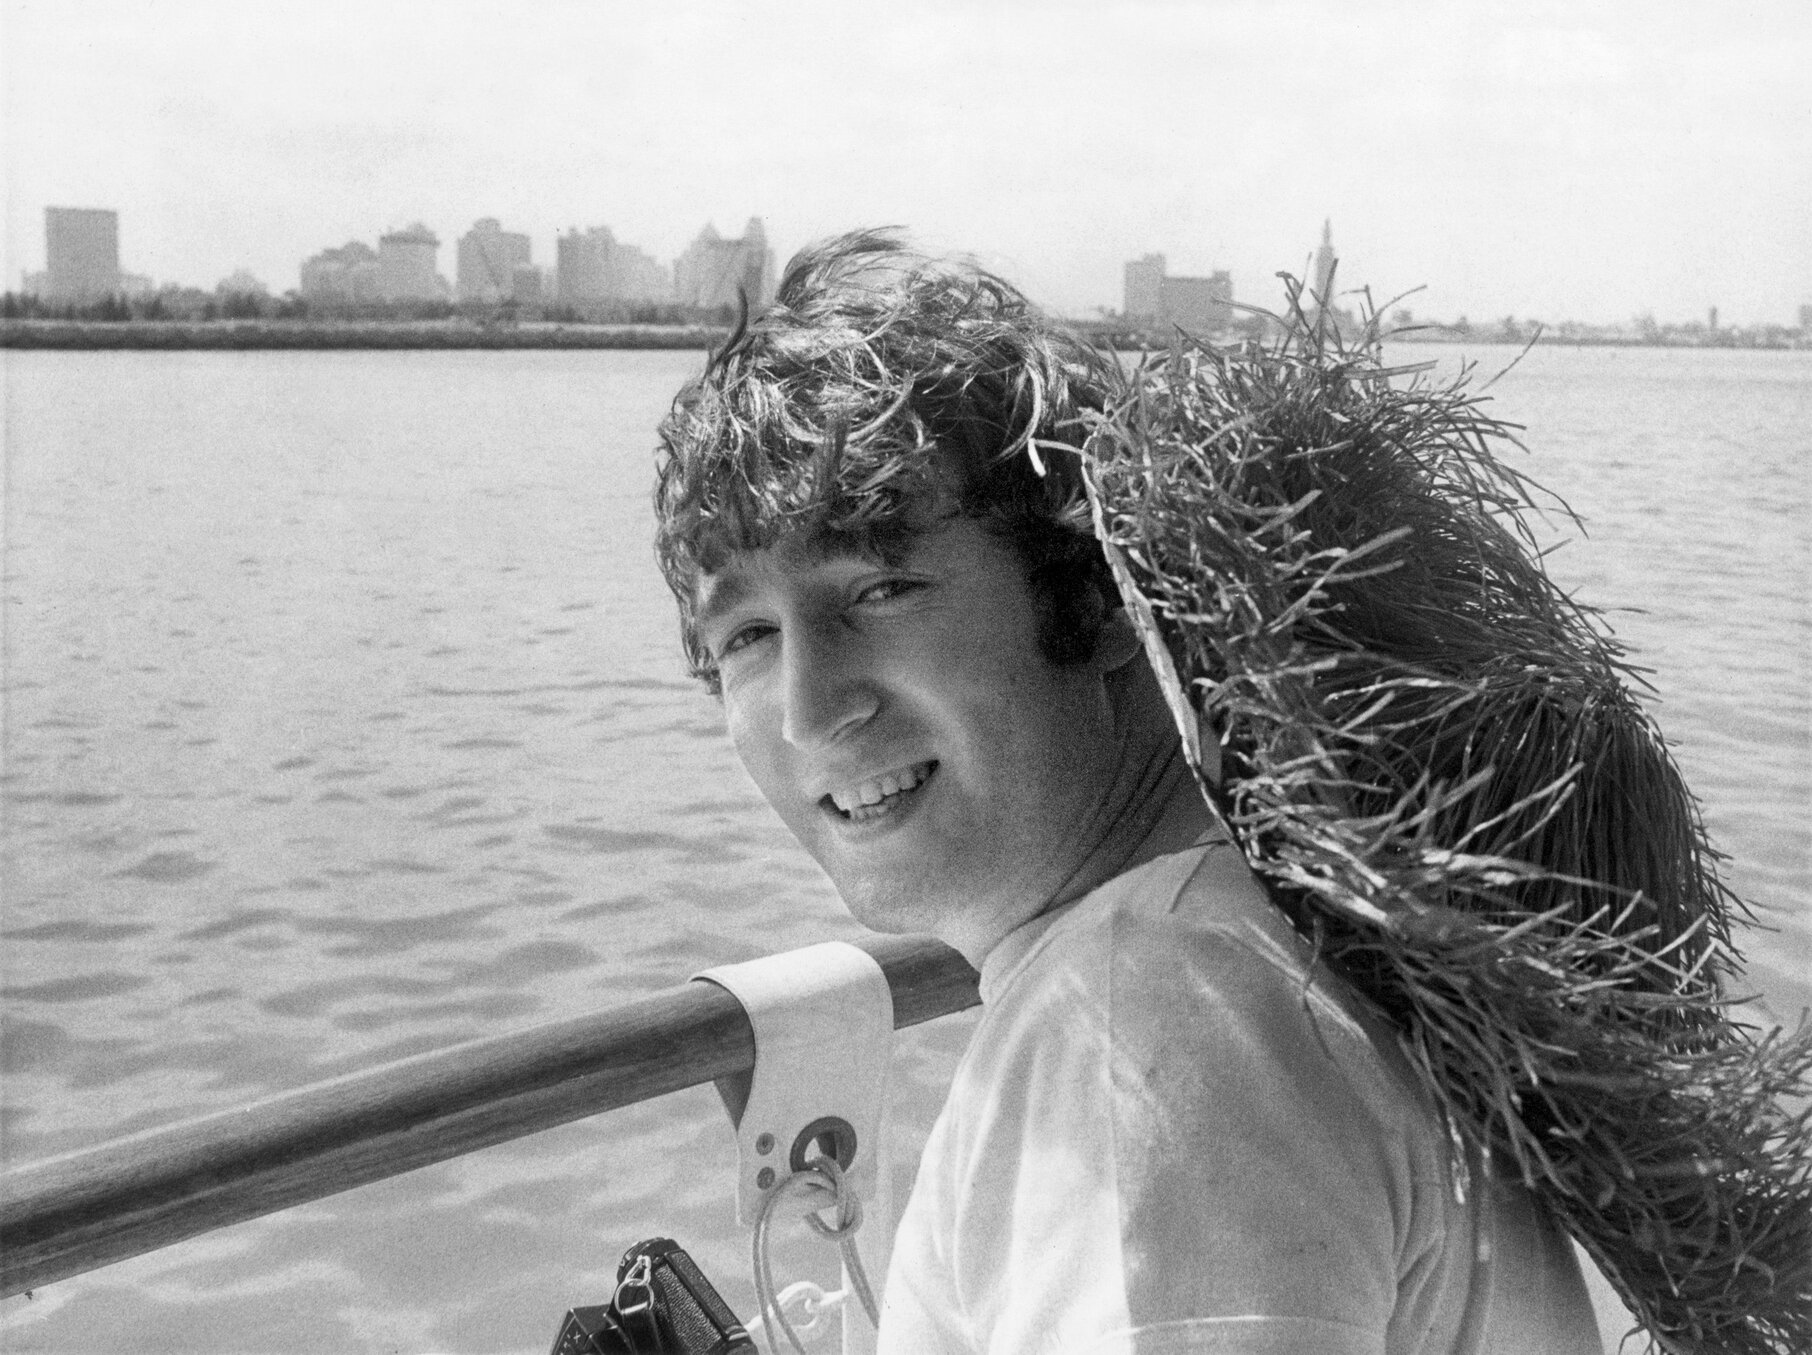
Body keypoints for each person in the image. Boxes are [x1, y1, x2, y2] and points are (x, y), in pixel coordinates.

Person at [650, 232, 1711, 1353]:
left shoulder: (1150, 1022)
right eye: (750, 636)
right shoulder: (1277, 917)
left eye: (882, 586)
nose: (812, 709)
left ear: (1100, 595)